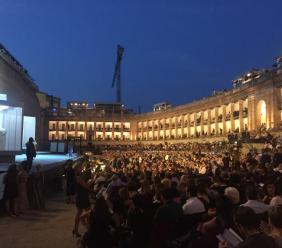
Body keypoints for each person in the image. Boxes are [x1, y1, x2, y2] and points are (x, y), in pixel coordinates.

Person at [72, 161, 92, 238]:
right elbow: (87, 187)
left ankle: (75, 229)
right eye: (81, 167)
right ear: (77, 168)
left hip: (79, 196)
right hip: (83, 196)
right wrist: (91, 180)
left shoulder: (76, 176)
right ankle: (90, 229)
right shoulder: (79, 178)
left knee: (79, 213)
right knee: (89, 213)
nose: (82, 168)